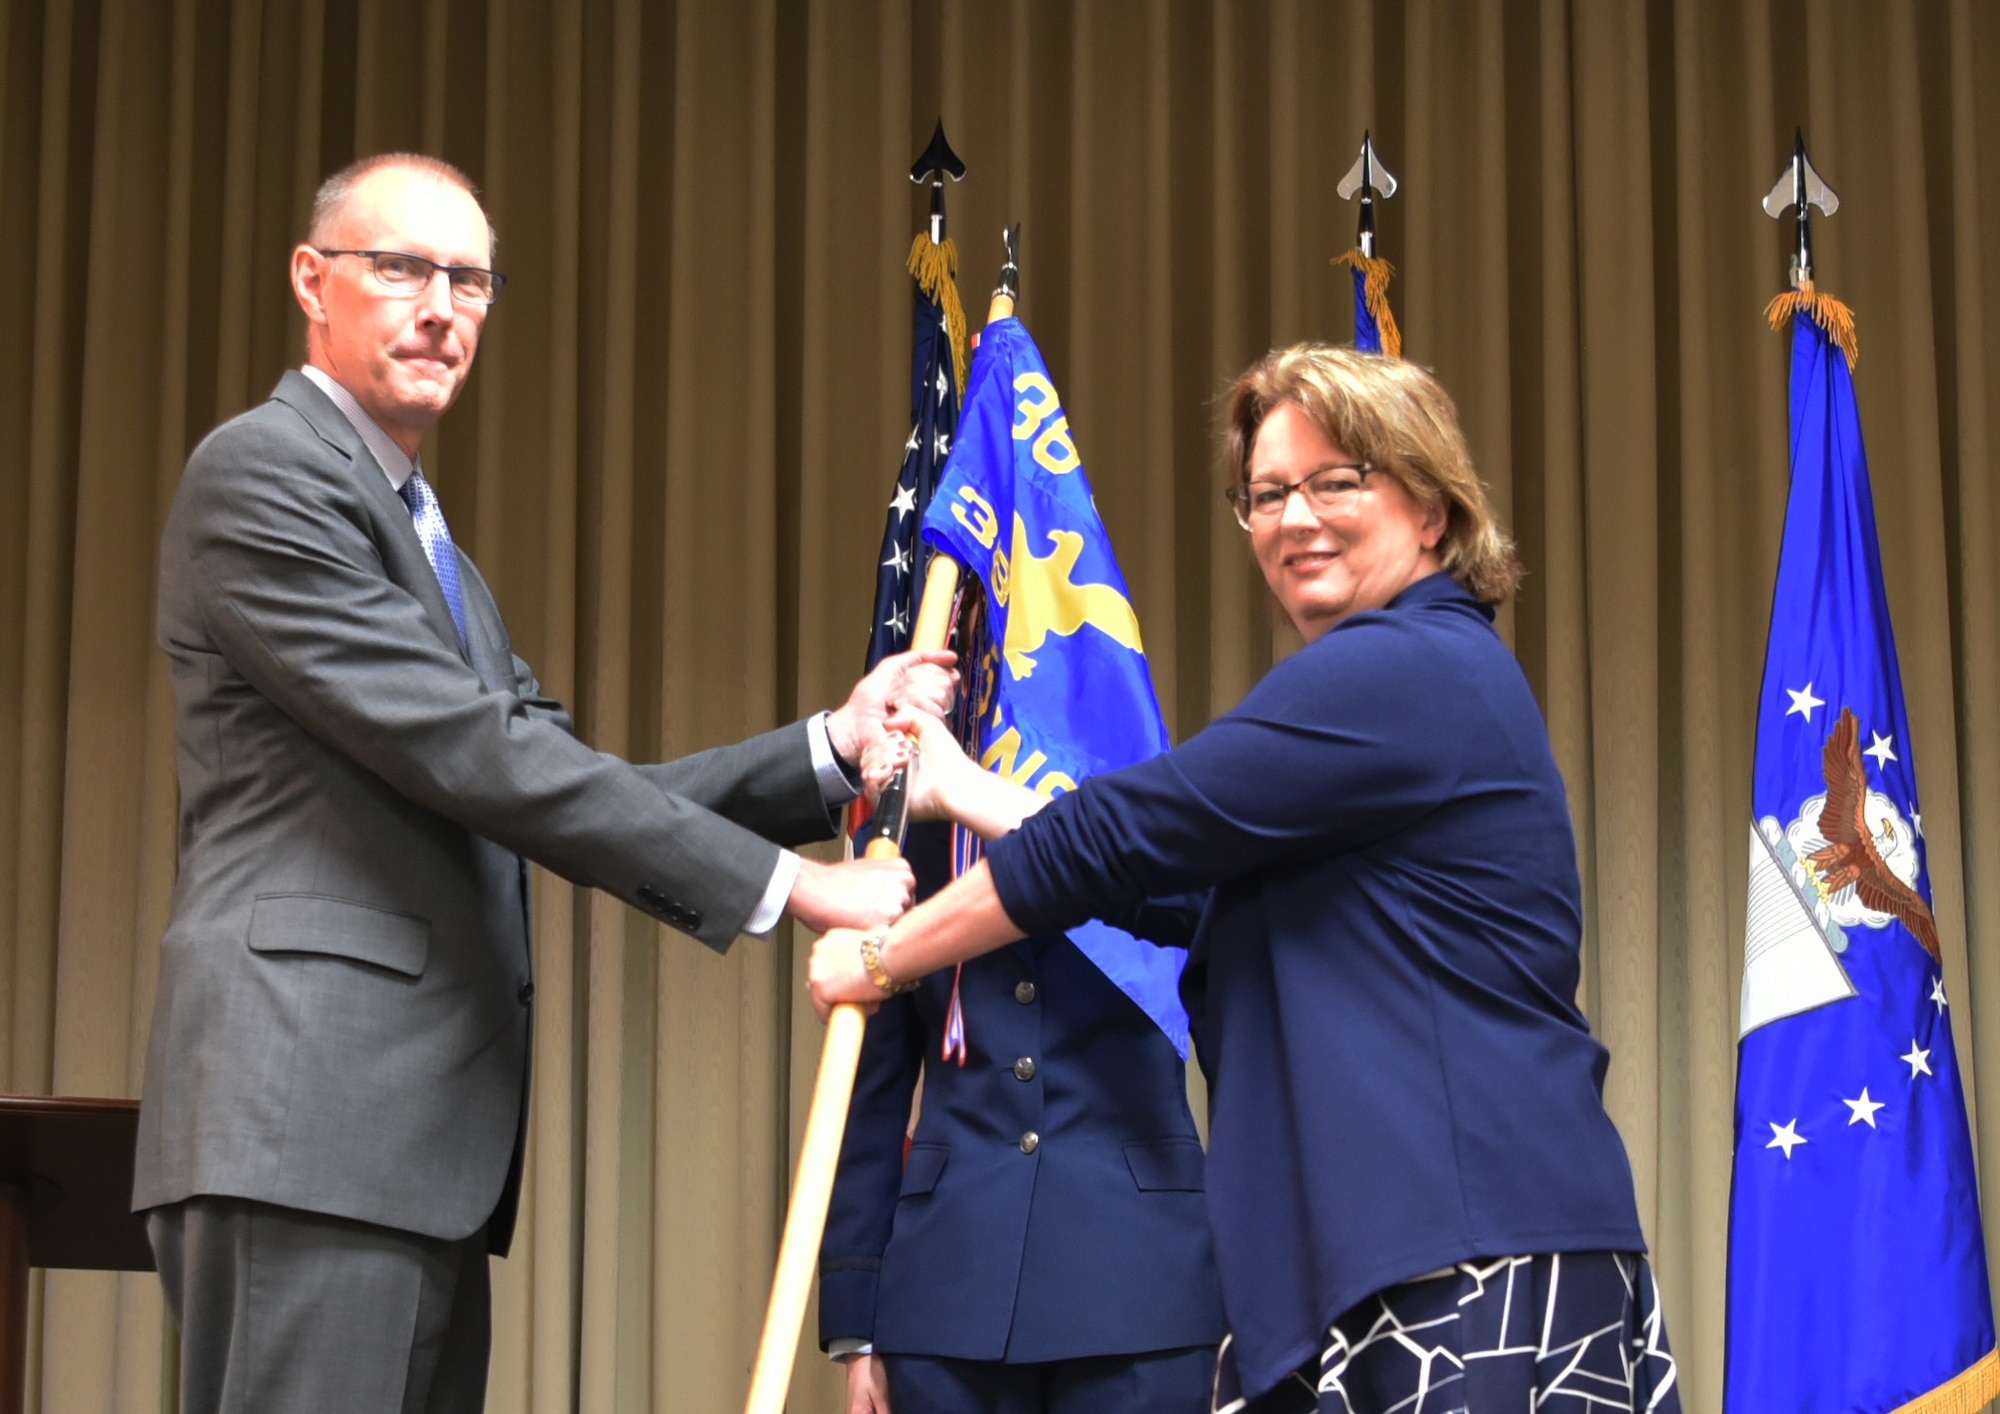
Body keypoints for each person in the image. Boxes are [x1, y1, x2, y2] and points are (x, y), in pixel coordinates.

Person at [135, 152, 950, 1414]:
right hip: (307, 1124)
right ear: (312, 280)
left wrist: (828, 750)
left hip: (405, 1144)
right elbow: (481, 759)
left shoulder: (422, 533)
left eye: (469, 278)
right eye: (400, 268)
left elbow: (552, 769)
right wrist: (797, 885)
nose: (440, 306)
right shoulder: (266, 474)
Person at [811, 345, 1680, 1414]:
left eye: (1335, 480)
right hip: (1404, 1259)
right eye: (1265, 493)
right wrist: (971, 793)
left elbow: (1123, 836)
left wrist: (877, 952)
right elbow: (1176, 886)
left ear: (1433, 513)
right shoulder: (1406, 687)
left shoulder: (1395, 669)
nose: (1292, 516)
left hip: (1466, 1263)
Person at [818, 784, 1224, 1412]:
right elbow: (872, 1096)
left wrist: (1264, 1290)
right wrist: (857, 1324)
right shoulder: (909, 850)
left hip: (1148, 1292)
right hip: (947, 1296)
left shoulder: (1155, 820)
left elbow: (1242, 1057)